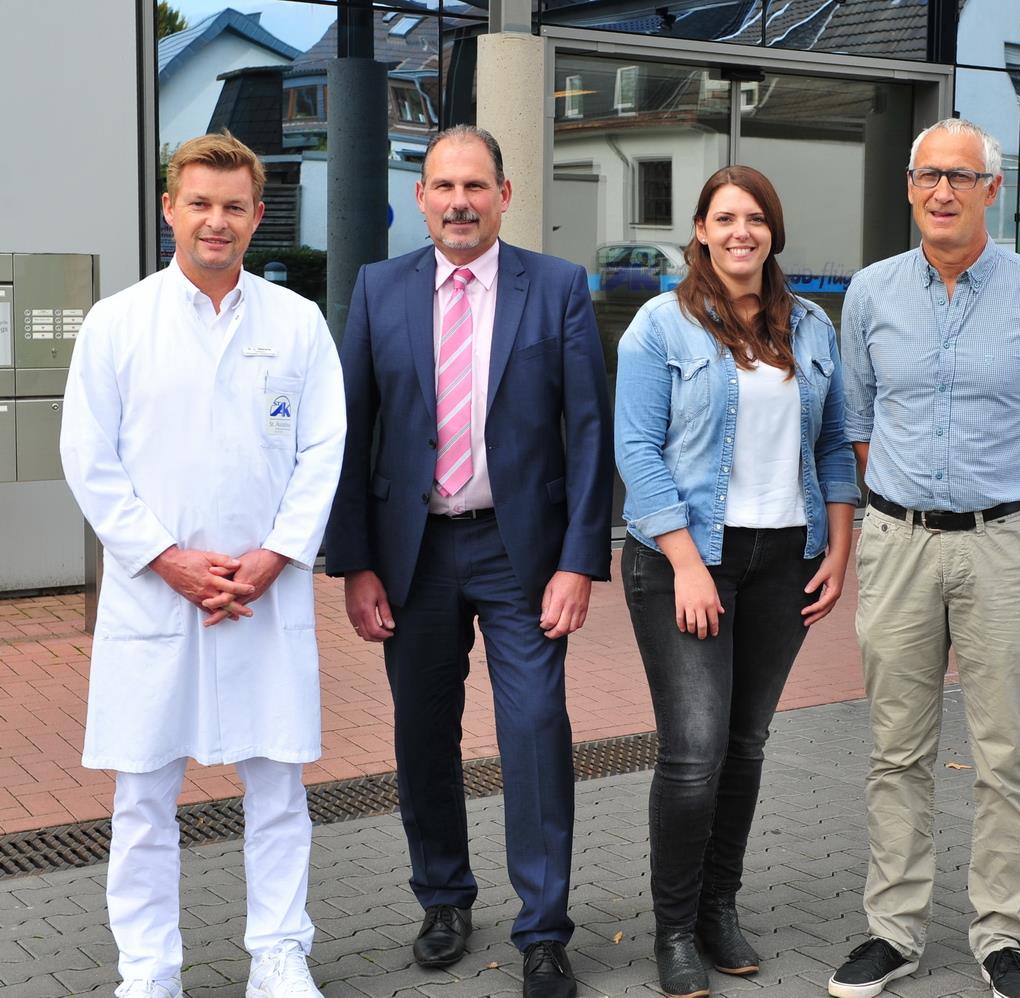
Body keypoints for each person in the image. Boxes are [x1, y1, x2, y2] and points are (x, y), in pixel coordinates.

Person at [323, 124, 612, 998]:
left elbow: (590, 431)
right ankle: (443, 898)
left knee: (533, 730)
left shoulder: (556, 287)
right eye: (443, 186)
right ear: (421, 197)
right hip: (413, 553)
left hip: (520, 550)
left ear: (504, 195)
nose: (458, 202)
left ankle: (543, 928)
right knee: (423, 734)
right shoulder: (378, 290)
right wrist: (356, 564)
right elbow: (351, 431)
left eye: (475, 187)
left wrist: (578, 562)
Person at [58, 132, 346, 998]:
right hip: (158, 595)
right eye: (199, 203)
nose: (214, 221)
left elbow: (323, 449)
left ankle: (279, 956)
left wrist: (274, 556)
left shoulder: (295, 322)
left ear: (258, 217)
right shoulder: (117, 323)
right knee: (143, 798)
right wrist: (166, 559)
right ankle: (148, 971)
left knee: (279, 787)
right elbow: (88, 457)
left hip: (265, 592)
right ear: (168, 210)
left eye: (232, 206)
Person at [830, 118, 1020, 998]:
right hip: (896, 544)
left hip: (1003, 548)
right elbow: (858, 427)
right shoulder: (869, 293)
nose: (944, 192)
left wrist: (992, 501)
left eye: (963, 176)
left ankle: (1003, 935)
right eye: (929, 175)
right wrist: (912, 504)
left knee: (1006, 750)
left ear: (994, 189)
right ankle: (892, 932)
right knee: (895, 751)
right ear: (910, 187)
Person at [615, 166, 859, 998]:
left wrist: (837, 549)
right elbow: (637, 454)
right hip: (685, 557)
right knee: (693, 753)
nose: (741, 232)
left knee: (746, 745)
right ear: (701, 229)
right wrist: (688, 565)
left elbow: (830, 447)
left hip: (781, 558)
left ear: (772, 230)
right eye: (726, 218)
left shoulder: (813, 327)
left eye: (755, 218)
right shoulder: (659, 327)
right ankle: (675, 929)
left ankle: (720, 907)